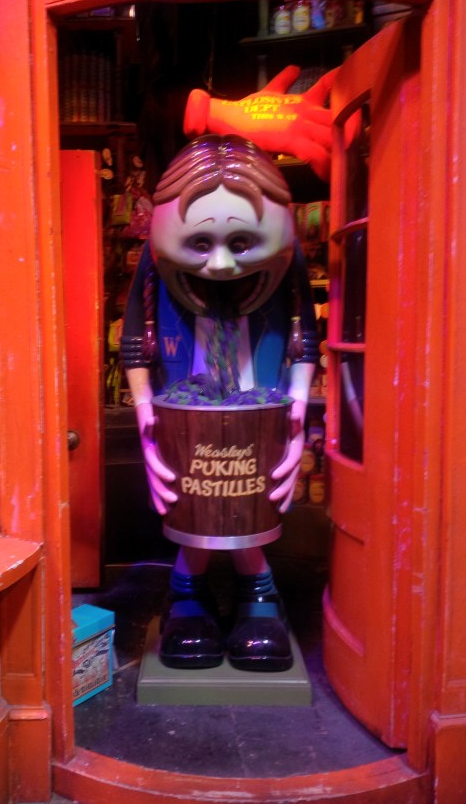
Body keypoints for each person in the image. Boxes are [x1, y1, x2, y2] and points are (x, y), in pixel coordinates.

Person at [121, 134, 318, 672]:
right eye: (201, 244)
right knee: (197, 496)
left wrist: (297, 409)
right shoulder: (154, 265)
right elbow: (135, 342)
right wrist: (145, 415)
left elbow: (305, 336)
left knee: (249, 495)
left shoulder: (287, 266)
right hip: (185, 406)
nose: (223, 266)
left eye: (243, 243)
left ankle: (247, 592)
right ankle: (198, 593)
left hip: (262, 402)